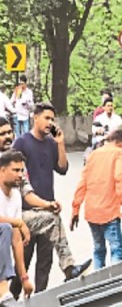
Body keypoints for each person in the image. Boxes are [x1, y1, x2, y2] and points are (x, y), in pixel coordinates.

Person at [11, 103, 89, 293]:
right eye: (46, 118)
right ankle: (10, 299)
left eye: (52, 119)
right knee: (23, 263)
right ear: (35, 118)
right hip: (27, 210)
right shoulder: (22, 143)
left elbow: (62, 168)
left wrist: (60, 143)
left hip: (47, 207)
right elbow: (15, 177)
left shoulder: (51, 143)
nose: (50, 123)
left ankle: (40, 300)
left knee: (45, 262)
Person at [71, 130, 122, 270]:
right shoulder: (119, 153)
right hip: (109, 212)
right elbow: (119, 178)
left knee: (98, 250)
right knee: (116, 250)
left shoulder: (93, 155)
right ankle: (115, 287)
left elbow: (82, 183)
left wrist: (75, 209)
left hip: (92, 212)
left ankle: (97, 287)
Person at [0, 150, 34, 302]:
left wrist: (24, 278)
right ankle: (2, 285)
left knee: (10, 229)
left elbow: (16, 240)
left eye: (22, 170)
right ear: (2, 170)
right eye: (15, 170)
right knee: (6, 227)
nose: (20, 175)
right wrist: (18, 223)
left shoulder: (15, 196)